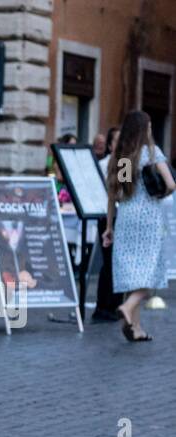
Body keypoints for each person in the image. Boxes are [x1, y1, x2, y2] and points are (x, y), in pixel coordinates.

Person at [102, 110, 174, 342]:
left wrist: (109, 227)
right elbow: (171, 184)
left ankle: (135, 327)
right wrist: (160, 192)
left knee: (132, 272)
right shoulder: (151, 153)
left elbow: (119, 193)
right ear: (144, 130)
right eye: (150, 126)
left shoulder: (124, 157)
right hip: (149, 218)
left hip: (126, 218)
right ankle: (129, 305)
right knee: (152, 271)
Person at [92, 125, 124, 322]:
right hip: (109, 216)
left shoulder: (126, 163)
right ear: (111, 146)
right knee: (110, 263)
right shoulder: (107, 164)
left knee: (118, 262)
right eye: (118, 141)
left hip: (120, 215)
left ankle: (115, 305)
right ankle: (104, 306)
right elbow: (121, 193)